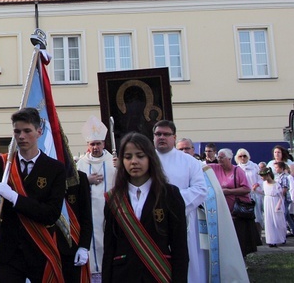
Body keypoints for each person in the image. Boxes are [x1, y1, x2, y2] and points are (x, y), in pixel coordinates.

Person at [0, 107, 67, 282]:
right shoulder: (3, 164)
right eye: (17, 131)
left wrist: (15, 198)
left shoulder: (55, 168)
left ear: (39, 132)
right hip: (9, 251)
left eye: (27, 131)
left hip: (39, 248)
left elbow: (51, 214)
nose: (21, 136)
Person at [102, 132, 188, 283]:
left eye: (140, 156)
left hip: (158, 274)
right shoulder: (114, 198)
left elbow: (179, 246)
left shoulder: (170, 194)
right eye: (128, 157)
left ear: (150, 158)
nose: (134, 162)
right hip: (123, 276)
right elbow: (109, 248)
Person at [152, 120, 207, 283]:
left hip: (183, 219)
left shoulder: (190, 162)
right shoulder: (145, 159)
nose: (162, 137)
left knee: (183, 261)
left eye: (166, 134)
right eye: (158, 134)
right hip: (151, 220)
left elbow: (200, 190)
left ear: (174, 137)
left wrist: (171, 203)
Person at [76, 115, 115, 279]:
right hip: (88, 213)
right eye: (92, 144)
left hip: (109, 212)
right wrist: (86, 181)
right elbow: (73, 187)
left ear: (104, 144)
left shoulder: (113, 162)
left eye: (98, 143)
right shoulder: (81, 164)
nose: (95, 147)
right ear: (88, 145)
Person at [207, 148, 258, 256]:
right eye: (218, 157)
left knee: (240, 237)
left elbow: (246, 189)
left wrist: (229, 191)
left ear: (229, 158)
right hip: (224, 210)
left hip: (238, 211)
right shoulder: (215, 168)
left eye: (222, 157)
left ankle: (242, 260)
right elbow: (201, 167)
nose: (219, 160)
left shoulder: (237, 170)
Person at [56, 169, 92, 283]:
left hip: (73, 247)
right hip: (49, 245)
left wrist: (84, 246)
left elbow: (86, 216)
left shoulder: (79, 177)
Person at [235, 148, 264, 237]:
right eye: (240, 156)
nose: (243, 158)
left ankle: (258, 235)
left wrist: (257, 184)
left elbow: (261, 179)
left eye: (244, 156)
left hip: (255, 194)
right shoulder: (237, 168)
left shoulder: (254, 166)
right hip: (244, 195)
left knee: (257, 216)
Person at [260, 166, 287, 247]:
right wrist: (256, 190)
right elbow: (265, 193)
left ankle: (281, 237)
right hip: (267, 202)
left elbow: (281, 196)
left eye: (263, 176)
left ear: (268, 175)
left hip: (275, 202)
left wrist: (278, 205)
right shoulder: (264, 184)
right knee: (269, 221)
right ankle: (271, 240)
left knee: (278, 221)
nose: (262, 178)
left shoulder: (276, 184)